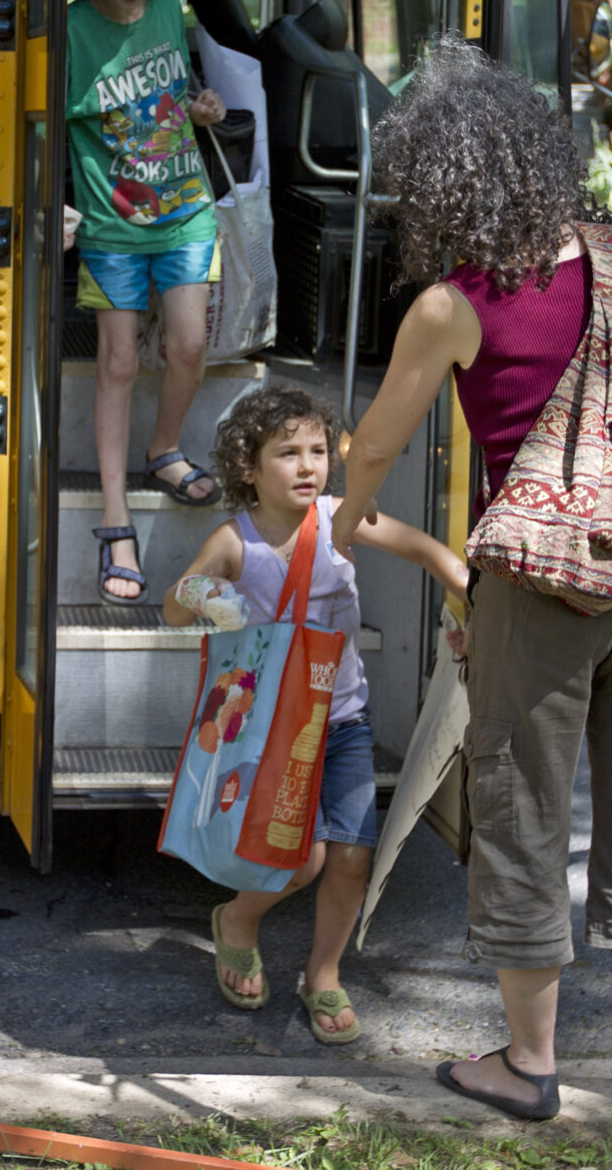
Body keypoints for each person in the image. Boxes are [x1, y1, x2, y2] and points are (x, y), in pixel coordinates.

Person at [329, 35, 612, 1120]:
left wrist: (348, 512)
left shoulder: (449, 305)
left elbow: (374, 443)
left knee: (522, 810)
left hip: (541, 585)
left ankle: (527, 1059)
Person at [165, 385, 468, 1043]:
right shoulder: (232, 541)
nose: (308, 465)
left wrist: (468, 593)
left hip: (345, 721)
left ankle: (323, 974)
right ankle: (239, 921)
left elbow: (425, 550)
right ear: (248, 468)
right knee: (299, 860)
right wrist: (205, 594)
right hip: (270, 729)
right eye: (287, 453)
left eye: (318, 450)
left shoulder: (342, 516)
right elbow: (175, 603)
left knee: (352, 858)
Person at [67, 0, 228, 604]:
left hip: (186, 210)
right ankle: (115, 518)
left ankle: (162, 448)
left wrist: (203, 108)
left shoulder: (167, 6)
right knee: (119, 361)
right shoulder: (70, 34)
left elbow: (177, 93)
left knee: (189, 346)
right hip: (111, 227)